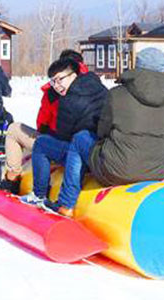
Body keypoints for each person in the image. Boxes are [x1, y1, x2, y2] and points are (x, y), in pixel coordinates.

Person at [54, 47, 164, 217]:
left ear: (137, 66)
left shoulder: (117, 95)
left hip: (117, 171)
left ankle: (67, 203)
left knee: (80, 138)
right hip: (159, 172)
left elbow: (102, 131)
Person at [21, 55, 107, 210]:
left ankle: (39, 194)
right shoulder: (98, 86)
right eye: (53, 81)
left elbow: (63, 135)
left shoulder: (68, 101)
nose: (56, 85)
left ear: (73, 74)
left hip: (83, 153)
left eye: (60, 79)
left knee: (41, 143)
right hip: (103, 149)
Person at [0, 50, 88, 193]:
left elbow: (42, 123)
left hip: (61, 146)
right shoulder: (93, 85)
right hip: (88, 146)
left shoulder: (54, 90)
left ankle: (12, 178)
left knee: (14, 130)